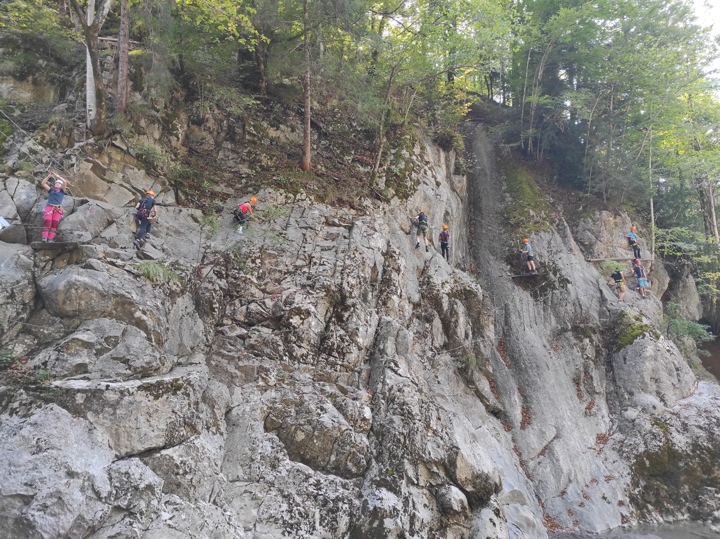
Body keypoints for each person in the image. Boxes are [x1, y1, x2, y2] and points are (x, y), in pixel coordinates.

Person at [40, 171, 67, 243]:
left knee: (54, 223)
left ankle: (50, 238)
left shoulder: (62, 191)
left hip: (58, 209)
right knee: (47, 221)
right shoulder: (51, 190)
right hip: (49, 207)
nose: (58, 184)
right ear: (54, 185)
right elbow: (43, 183)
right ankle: (44, 237)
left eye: (59, 183)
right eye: (56, 183)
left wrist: (56, 175)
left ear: (61, 185)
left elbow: (64, 181)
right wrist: (49, 176)